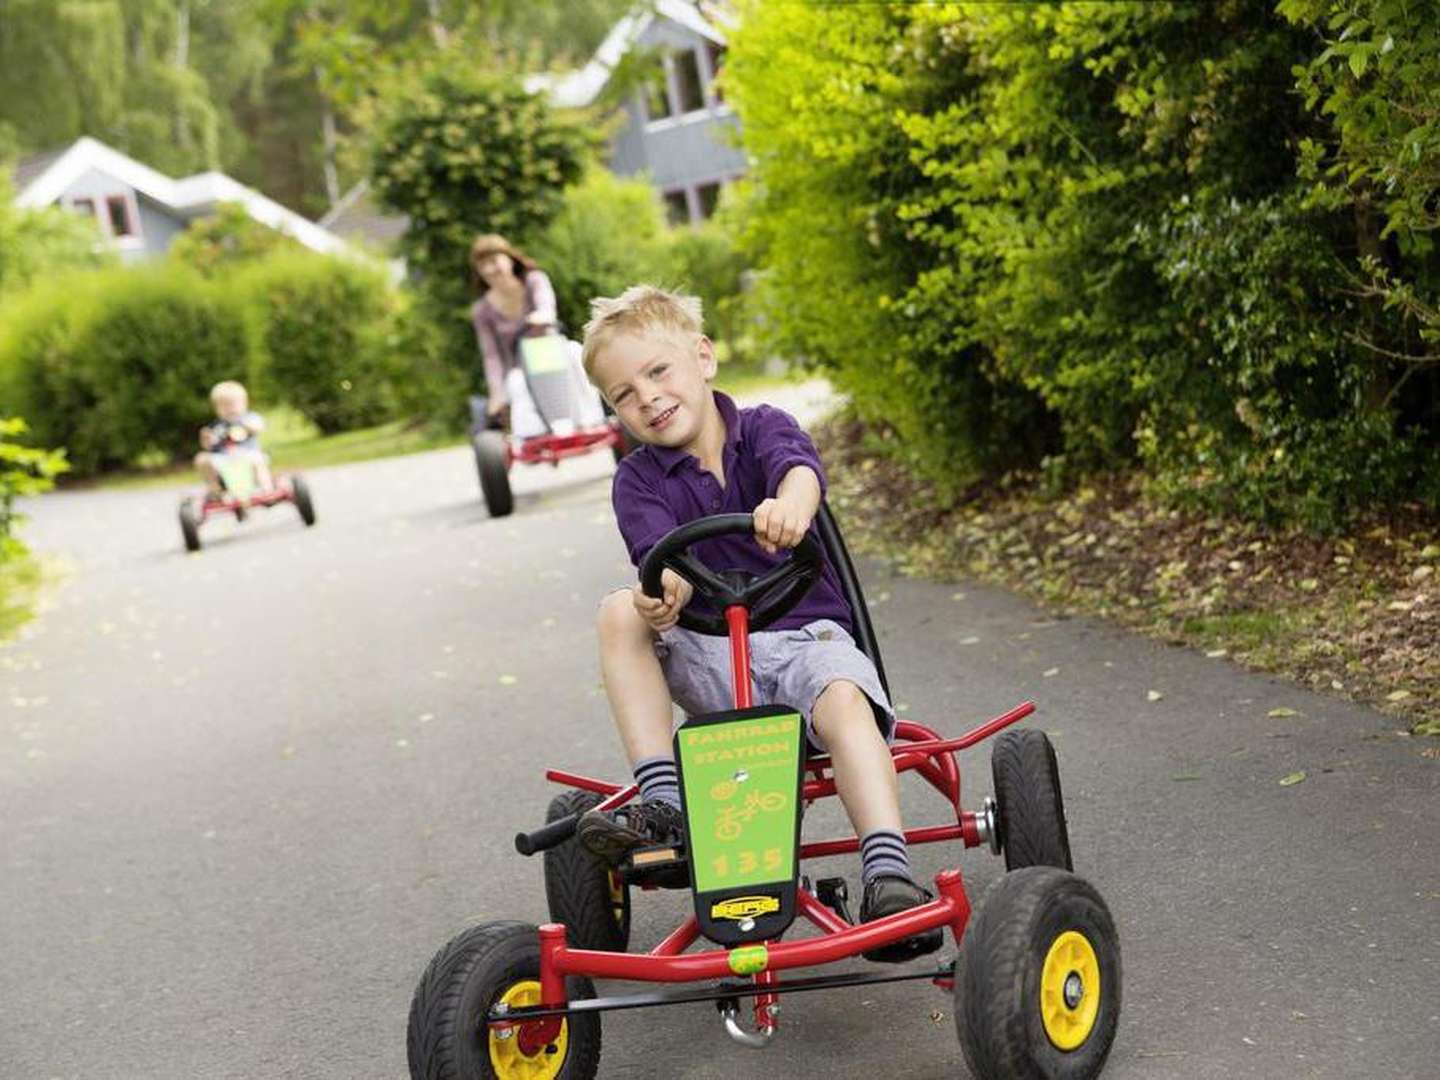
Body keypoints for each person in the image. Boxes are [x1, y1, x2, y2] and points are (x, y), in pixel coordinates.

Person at [573, 284, 942, 963]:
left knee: (845, 705)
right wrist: (665, 593)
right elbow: (656, 560)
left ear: (703, 358)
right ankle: (666, 808)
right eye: (624, 394)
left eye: (658, 372)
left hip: (808, 645)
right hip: (713, 657)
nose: (647, 398)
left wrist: (790, 506)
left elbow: (800, 472)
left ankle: (888, 872)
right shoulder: (638, 481)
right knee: (619, 610)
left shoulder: (764, 428)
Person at [468, 233, 560, 426]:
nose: (489, 269)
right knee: (516, 384)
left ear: (509, 258)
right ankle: (529, 432)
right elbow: (491, 355)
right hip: (519, 369)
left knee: (576, 354)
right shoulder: (482, 310)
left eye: (493, 260)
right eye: (482, 265)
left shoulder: (535, 281)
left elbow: (547, 308)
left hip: (553, 354)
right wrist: (497, 394)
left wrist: (542, 316)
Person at [195, 380, 269, 494]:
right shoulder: (216, 426)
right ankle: (215, 490)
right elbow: (208, 446)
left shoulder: (249, 418)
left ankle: (265, 487)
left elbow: (259, 427)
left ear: (245, 404)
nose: (229, 409)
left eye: (233, 404)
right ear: (217, 409)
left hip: (248, 455)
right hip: (224, 459)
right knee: (202, 459)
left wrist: (245, 425)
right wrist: (205, 439)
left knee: (258, 459)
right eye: (224, 406)